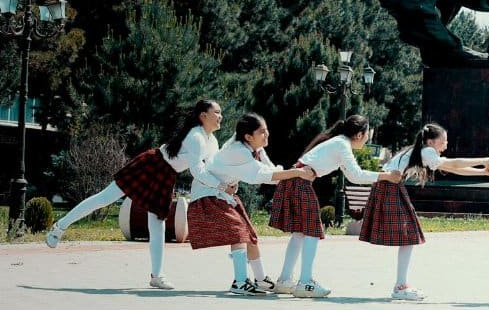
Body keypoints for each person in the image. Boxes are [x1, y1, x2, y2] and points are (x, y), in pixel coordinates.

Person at [45, 100, 224, 289]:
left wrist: (228, 181)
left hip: (166, 175)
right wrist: (220, 185)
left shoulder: (212, 141)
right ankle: (59, 227)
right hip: (152, 164)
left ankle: (157, 276)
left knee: (158, 223)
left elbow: (214, 167)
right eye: (217, 112)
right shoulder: (196, 136)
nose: (220, 116)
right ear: (203, 115)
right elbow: (198, 171)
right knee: (105, 198)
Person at [269, 115, 405, 298]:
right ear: (358, 134)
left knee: (301, 232)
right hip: (299, 181)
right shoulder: (342, 144)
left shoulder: (339, 143)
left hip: (295, 180)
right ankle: (305, 282)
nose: (367, 139)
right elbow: (356, 175)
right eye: (367, 135)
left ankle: (285, 281)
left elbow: (354, 177)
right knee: (312, 231)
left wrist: (384, 176)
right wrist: (386, 176)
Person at [358, 123, 489, 300]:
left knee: (410, 236)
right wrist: (483, 161)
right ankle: (400, 286)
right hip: (389, 187)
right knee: (410, 235)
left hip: (389, 187)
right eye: (443, 141)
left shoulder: (421, 151)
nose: (446, 145)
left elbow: (452, 167)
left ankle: (401, 285)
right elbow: (454, 163)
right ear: (431, 142)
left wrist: (483, 171)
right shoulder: (426, 151)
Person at [188, 113, 315, 295]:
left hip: (223, 195)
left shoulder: (255, 148)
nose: (267, 135)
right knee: (238, 233)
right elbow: (262, 176)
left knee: (249, 235)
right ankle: (240, 282)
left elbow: (270, 172)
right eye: (262, 132)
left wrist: (293, 172)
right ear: (248, 137)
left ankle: (261, 280)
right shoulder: (238, 151)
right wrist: (297, 173)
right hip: (207, 195)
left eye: (266, 130)